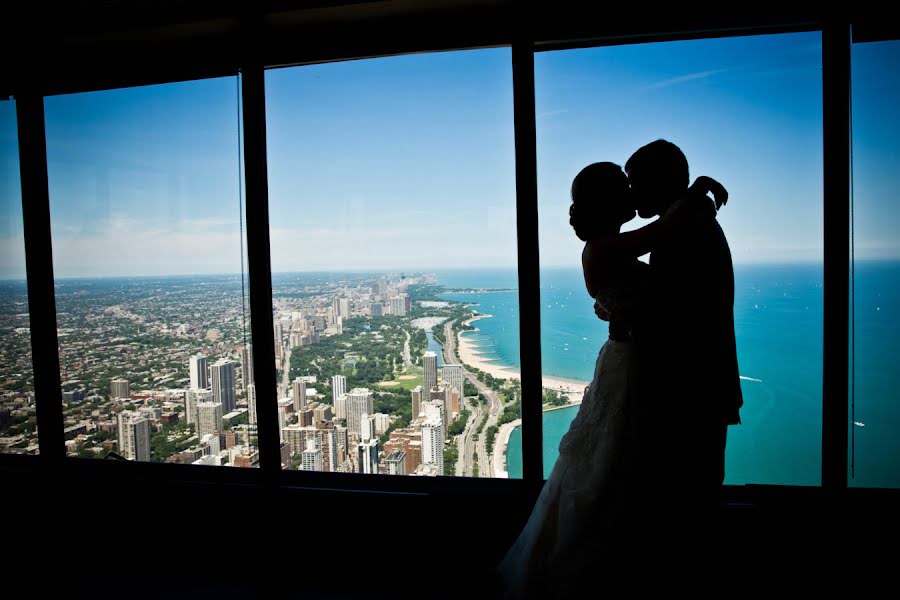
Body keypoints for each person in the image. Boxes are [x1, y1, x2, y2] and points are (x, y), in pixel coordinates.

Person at [495, 160, 728, 598]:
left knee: (614, 459)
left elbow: (656, 284)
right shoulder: (606, 249)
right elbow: (663, 236)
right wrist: (693, 191)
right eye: (625, 186)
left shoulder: (610, 247)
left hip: (629, 359)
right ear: (609, 202)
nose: (631, 192)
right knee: (618, 457)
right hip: (632, 364)